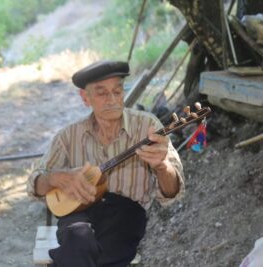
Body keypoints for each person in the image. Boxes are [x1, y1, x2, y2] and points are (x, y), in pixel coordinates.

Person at [27, 60, 185, 267]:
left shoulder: (147, 126)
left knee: (97, 253)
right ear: (85, 98)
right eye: (102, 93)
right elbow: (34, 186)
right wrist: (55, 178)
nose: (112, 100)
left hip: (125, 213)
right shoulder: (68, 136)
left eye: (117, 91)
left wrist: (162, 166)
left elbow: (172, 192)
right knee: (78, 239)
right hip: (78, 212)